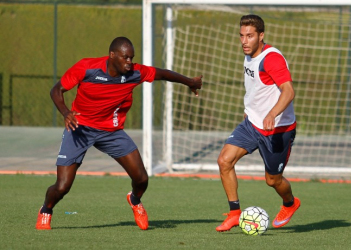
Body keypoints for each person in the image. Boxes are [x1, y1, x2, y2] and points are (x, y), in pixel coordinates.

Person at [35, 36, 203, 230]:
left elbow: (162, 74)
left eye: (132, 58)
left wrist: (190, 82)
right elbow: (56, 90)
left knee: (141, 179)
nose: (130, 62)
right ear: (112, 55)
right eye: (125, 58)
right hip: (79, 127)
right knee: (62, 186)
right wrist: (66, 112)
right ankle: (46, 210)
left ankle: (134, 200)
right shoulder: (87, 67)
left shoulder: (134, 73)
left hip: (111, 131)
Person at [215, 15, 300, 232]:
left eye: (250, 36)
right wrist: (249, 110)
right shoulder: (249, 54)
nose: (244, 41)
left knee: (273, 180)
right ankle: (234, 213)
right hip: (252, 124)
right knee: (224, 161)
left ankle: (290, 203)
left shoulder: (272, 59)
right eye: (242, 36)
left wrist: (271, 114)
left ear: (261, 36)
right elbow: (256, 87)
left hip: (277, 130)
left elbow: (288, 91)